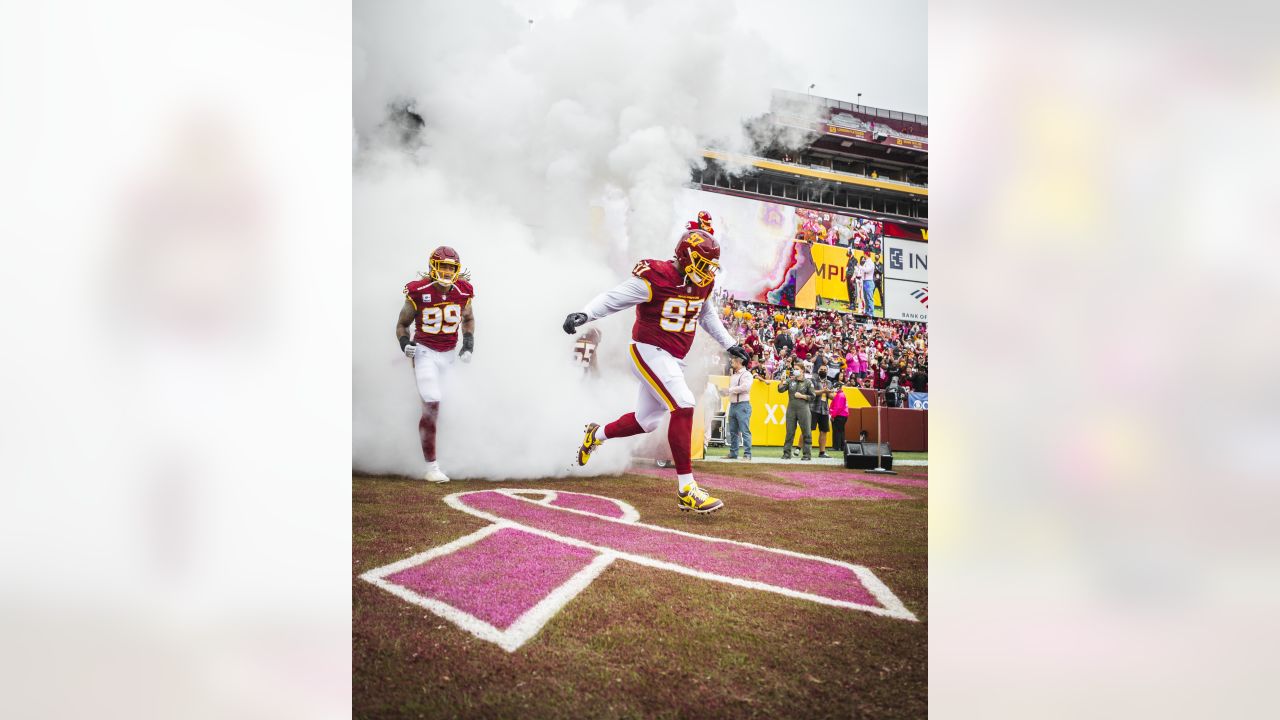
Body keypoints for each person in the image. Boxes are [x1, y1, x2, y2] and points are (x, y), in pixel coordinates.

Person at [562, 228, 749, 514]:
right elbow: (615, 297)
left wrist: (730, 343)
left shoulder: (702, 284)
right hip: (647, 350)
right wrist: (586, 313)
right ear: (686, 257)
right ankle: (687, 490)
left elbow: (706, 313)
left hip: (672, 358)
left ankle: (595, 435)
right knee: (684, 403)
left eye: (710, 266)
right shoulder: (656, 278)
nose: (707, 271)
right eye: (702, 263)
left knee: (646, 421)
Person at [396, 245, 476, 483]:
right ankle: (431, 466)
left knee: (451, 406)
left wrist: (469, 343)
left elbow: (469, 319)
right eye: (442, 267)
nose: (446, 272)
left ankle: (453, 456)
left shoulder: (463, 291)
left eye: (451, 268)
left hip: (449, 354)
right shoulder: (418, 291)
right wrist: (404, 344)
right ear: (433, 267)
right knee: (431, 402)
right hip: (425, 352)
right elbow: (402, 324)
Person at [720, 352, 754, 460]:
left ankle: (747, 454)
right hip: (734, 404)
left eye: (734, 361)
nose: (731, 362)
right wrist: (726, 393)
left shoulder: (747, 374)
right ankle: (733, 453)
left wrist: (729, 390)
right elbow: (736, 389)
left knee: (745, 431)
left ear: (739, 362)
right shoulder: (734, 375)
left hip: (742, 405)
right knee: (733, 431)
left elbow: (745, 388)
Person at [780, 365, 815, 461]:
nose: (795, 371)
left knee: (806, 432)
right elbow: (780, 390)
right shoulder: (790, 381)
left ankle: (807, 455)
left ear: (802, 371)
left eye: (797, 369)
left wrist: (802, 396)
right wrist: (782, 381)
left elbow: (813, 397)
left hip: (803, 409)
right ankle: (786, 453)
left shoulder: (808, 382)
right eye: (794, 369)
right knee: (789, 432)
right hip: (791, 409)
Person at [810, 374, 834, 458]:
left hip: (824, 410)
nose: (823, 370)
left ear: (827, 371)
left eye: (825, 369)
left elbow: (832, 397)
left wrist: (829, 393)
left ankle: (822, 452)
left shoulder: (829, 382)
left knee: (824, 431)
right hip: (813, 408)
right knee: (808, 430)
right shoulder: (813, 380)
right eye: (821, 369)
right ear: (818, 370)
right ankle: (799, 449)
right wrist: (823, 391)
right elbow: (812, 392)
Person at [830, 382, 850, 455]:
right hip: (843, 415)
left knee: (837, 431)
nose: (834, 388)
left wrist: (833, 416)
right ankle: (841, 446)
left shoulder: (839, 395)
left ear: (838, 387)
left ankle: (836, 447)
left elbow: (838, 407)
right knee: (841, 431)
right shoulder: (841, 394)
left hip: (839, 415)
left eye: (835, 387)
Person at [859, 252, 877, 317]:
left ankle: (871, 313)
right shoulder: (866, 262)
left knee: (869, 298)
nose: (863, 256)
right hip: (865, 281)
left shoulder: (870, 263)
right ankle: (867, 311)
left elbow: (867, 270)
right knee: (866, 297)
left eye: (864, 254)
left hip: (869, 282)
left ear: (866, 255)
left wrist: (860, 267)